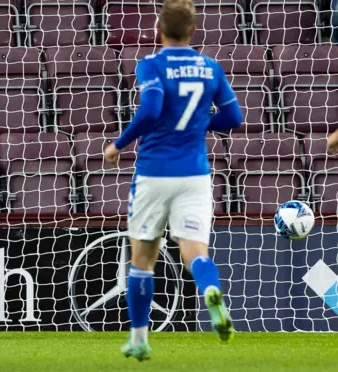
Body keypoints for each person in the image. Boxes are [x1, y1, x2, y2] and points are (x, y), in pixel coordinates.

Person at [102, 0, 242, 361]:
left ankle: (139, 339)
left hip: (154, 173)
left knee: (143, 258)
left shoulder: (150, 64)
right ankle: (211, 290)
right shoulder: (211, 68)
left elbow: (149, 110)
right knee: (195, 252)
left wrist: (118, 144)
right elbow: (234, 117)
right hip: (195, 174)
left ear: (158, 30)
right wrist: (199, 123)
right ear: (193, 31)